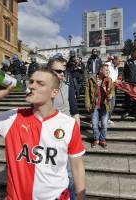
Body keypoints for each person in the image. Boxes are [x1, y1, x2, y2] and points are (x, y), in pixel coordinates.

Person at [0, 68, 86, 200]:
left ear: (54, 92)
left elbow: (77, 166)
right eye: (31, 81)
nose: (31, 86)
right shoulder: (12, 117)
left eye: (40, 83)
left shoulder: (68, 124)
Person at [47, 55, 80, 200]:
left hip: (64, 138)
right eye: (58, 71)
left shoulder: (67, 87)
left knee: (69, 175)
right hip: (46, 138)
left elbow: (75, 112)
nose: (62, 74)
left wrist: (76, 137)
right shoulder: (39, 89)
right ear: (48, 70)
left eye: (63, 71)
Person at [85, 64, 114, 149]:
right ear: (101, 70)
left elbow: (112, 90)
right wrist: (87, 104)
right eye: (106, 70)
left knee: (104, 124)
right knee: (94, 124)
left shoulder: (109, 80)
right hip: (95, 105)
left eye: (108, 70)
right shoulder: (91, 79)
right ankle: (96, 139)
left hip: (105, 105)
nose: (108, 72)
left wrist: (111, 94)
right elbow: (87, 93)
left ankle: (102, 139)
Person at [107, 56, 121, 124]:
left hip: (113, 88)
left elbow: (114, 77)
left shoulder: (116, 67)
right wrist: (113, 81)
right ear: (115, 60)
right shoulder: (107, 65)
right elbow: (105, 76)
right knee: (107, 104)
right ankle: (103, 119)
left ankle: (108, 118)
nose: (120, 63)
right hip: (107, 88)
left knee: (112, 104)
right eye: (119, 61)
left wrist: (117, 81)